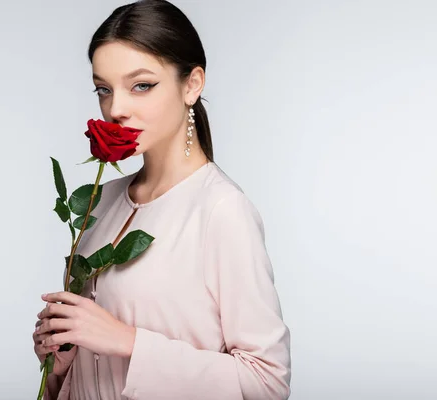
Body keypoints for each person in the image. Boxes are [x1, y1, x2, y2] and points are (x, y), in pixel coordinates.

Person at [32, 1, 291, 399]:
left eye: (141, 85)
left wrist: (129, 342)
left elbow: (267, 382)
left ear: (192, 84)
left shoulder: (221, 211)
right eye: (104, 89)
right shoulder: (103, 201)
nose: (115, 108)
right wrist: (62, 366)